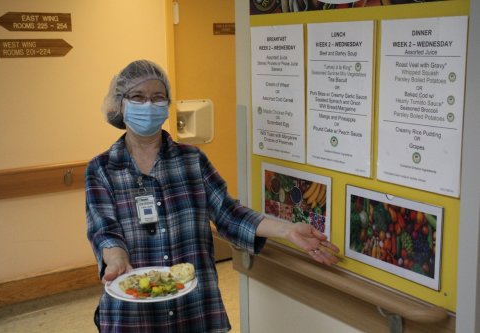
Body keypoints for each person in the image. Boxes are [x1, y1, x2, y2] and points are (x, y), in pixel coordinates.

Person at [86, 60, 340, 333]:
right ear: (120, 104)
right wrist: (116, 259)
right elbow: (105, 230)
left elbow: (228, 213)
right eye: (138, 96)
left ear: (167, 104)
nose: (148, 105)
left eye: (158, 97)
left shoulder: (192, 159)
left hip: (194, 310)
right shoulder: (102, 168)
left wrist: (286, 230)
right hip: (136, 314)